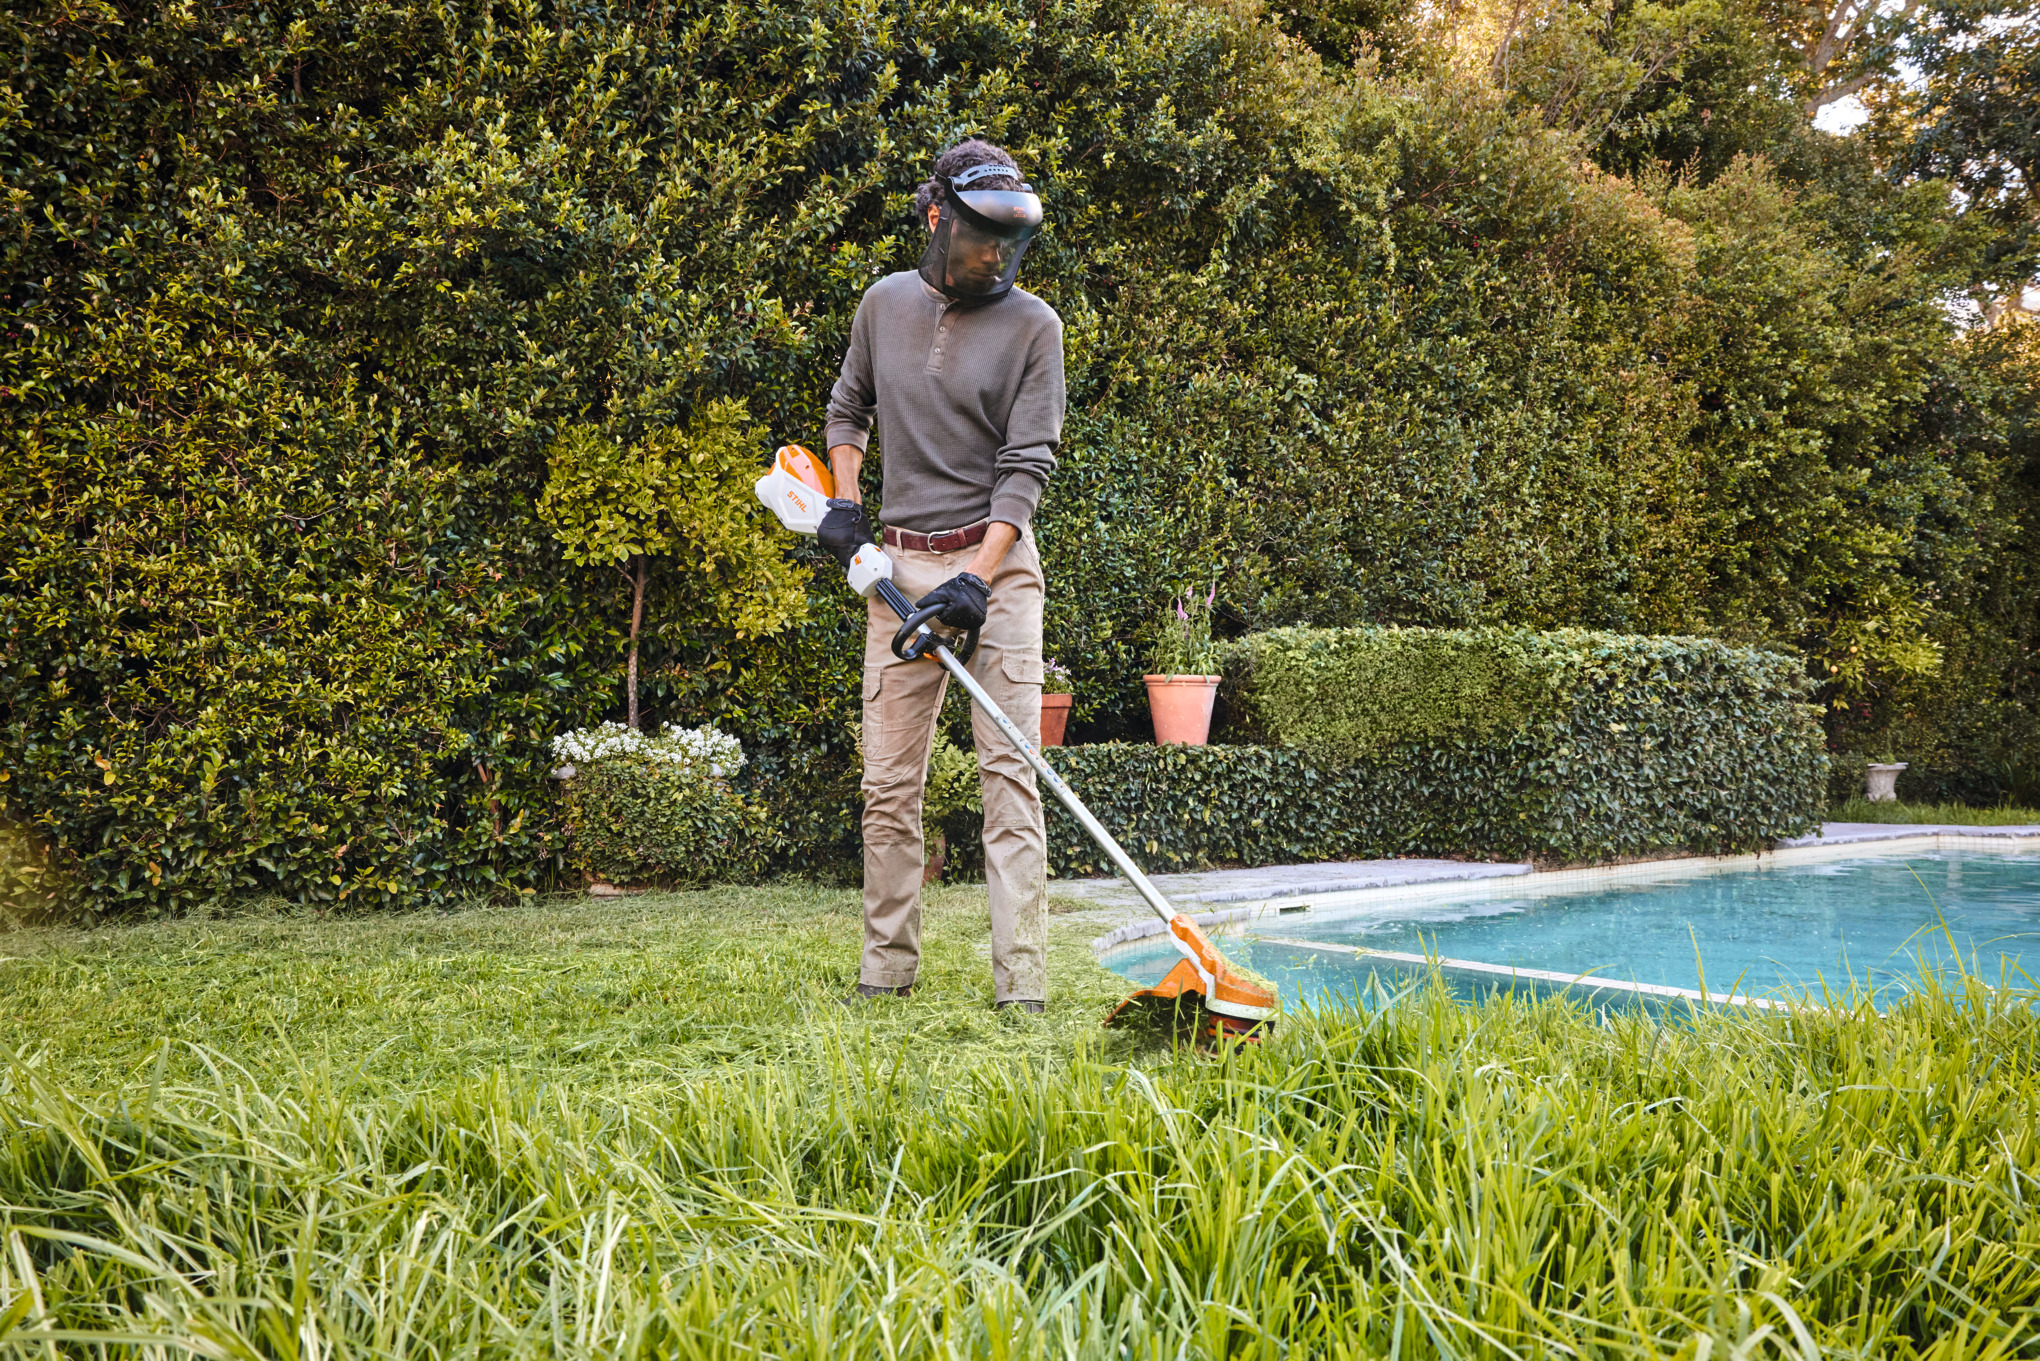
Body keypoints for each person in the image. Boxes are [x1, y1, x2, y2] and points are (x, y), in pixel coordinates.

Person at [816, 138, 1065, 1013]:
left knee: (1010, 774)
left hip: (995, 567)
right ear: (936, 219)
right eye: (979, 240)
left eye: (1010, 243)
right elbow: (849, 407)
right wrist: (846, 505)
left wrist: (979, 579)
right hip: (896, 566)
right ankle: (886, 972)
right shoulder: (881, 306)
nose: (995, 257)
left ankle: (1022, 985)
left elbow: (1025, 468)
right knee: (887, 783)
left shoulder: (1037, 327)